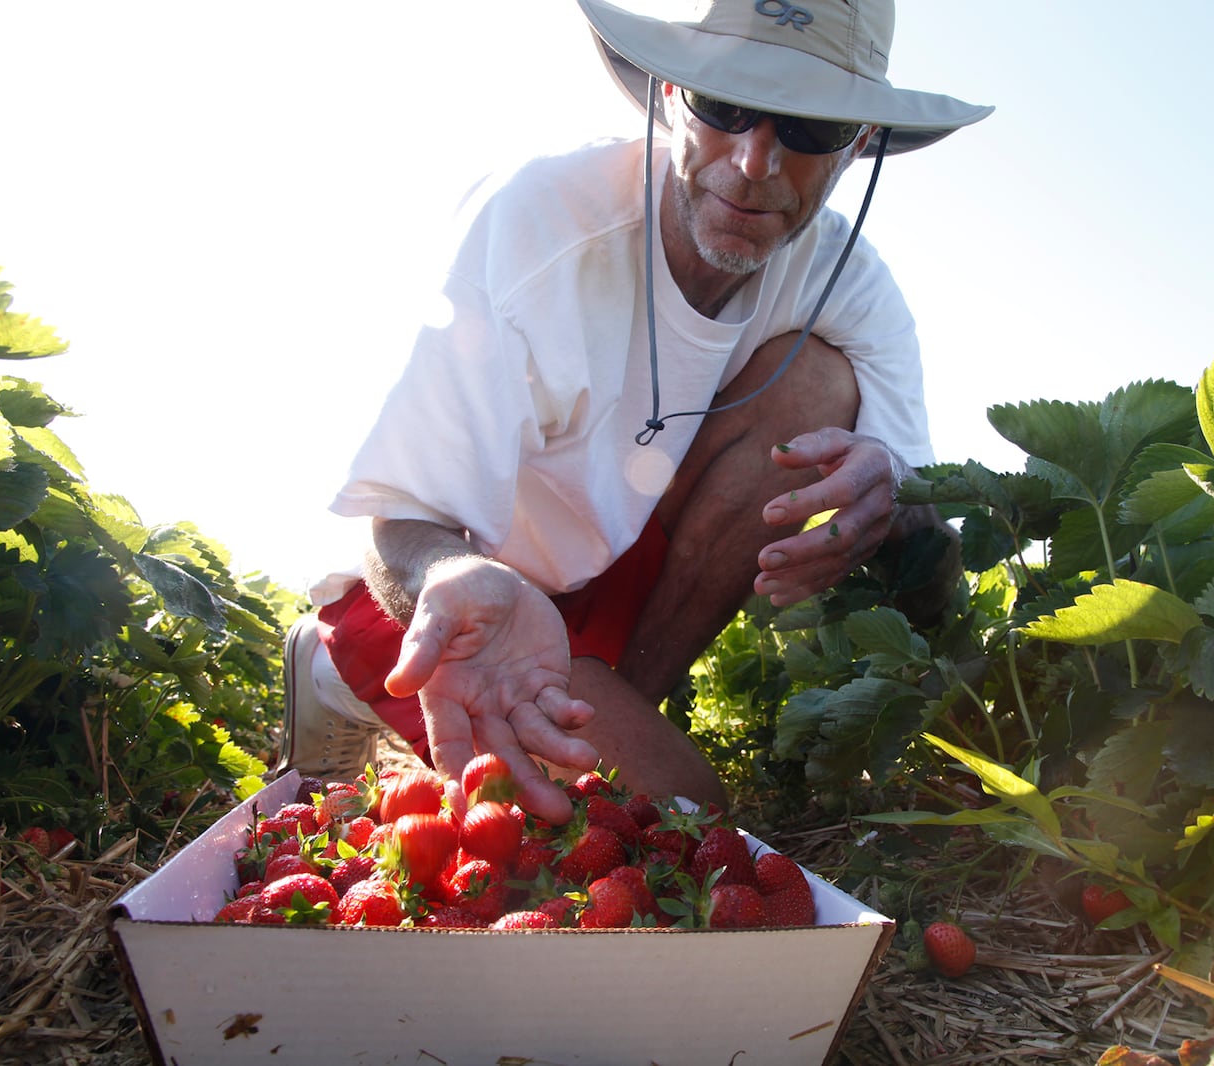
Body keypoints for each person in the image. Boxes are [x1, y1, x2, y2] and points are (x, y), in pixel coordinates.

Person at [276, 0, 992, 825]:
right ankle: (335, 667)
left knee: (820, 390)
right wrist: (448, 579)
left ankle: (613, 715)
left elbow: (922, 490)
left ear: (858, 144)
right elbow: (401, 519)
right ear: (669, 94)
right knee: (682, 818)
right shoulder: (539, 228)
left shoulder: (849, 284)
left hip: (617, 585)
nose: (755, 161)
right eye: (725, 107)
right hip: (473, 609)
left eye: (810, 129)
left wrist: (888, 489)